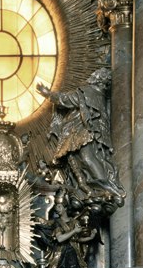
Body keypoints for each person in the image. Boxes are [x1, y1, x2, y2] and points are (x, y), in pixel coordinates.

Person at [38, 67, 125, 215]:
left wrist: (48, 94)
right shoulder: (97, 94)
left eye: (95, 75)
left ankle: (104, 185)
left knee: (87, 158)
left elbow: (66, 99)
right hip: (76, 133)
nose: (92, 76)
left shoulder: (88, 92)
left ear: (98, 79)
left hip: (82, 132)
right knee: (76, 161)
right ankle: (87, 188)